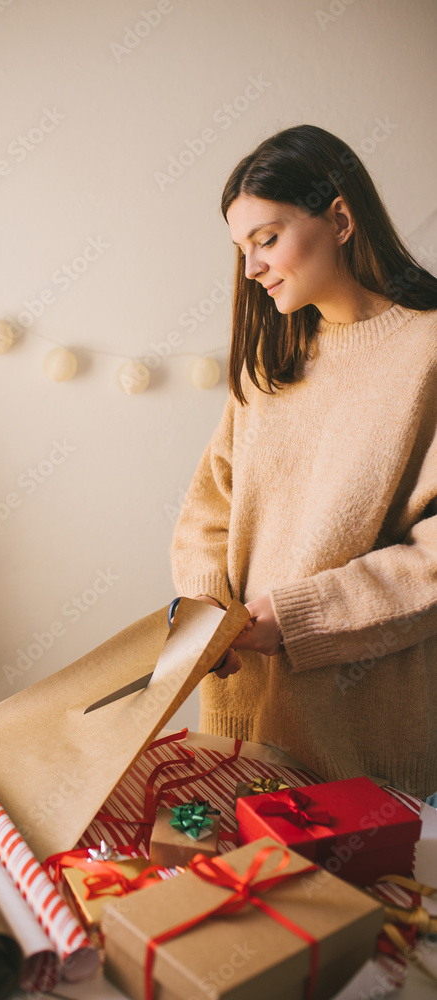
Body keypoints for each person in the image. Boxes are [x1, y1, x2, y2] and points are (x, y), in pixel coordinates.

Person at [170, 124, 437, 801]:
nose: (251, 267)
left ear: (339, 219)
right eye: (240, 249)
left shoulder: (426, 352)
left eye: (266, 238)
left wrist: (294, 617)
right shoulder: (270, 359)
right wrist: (203, 605)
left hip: (368, 733)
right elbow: (210, 506)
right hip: (244, 714)